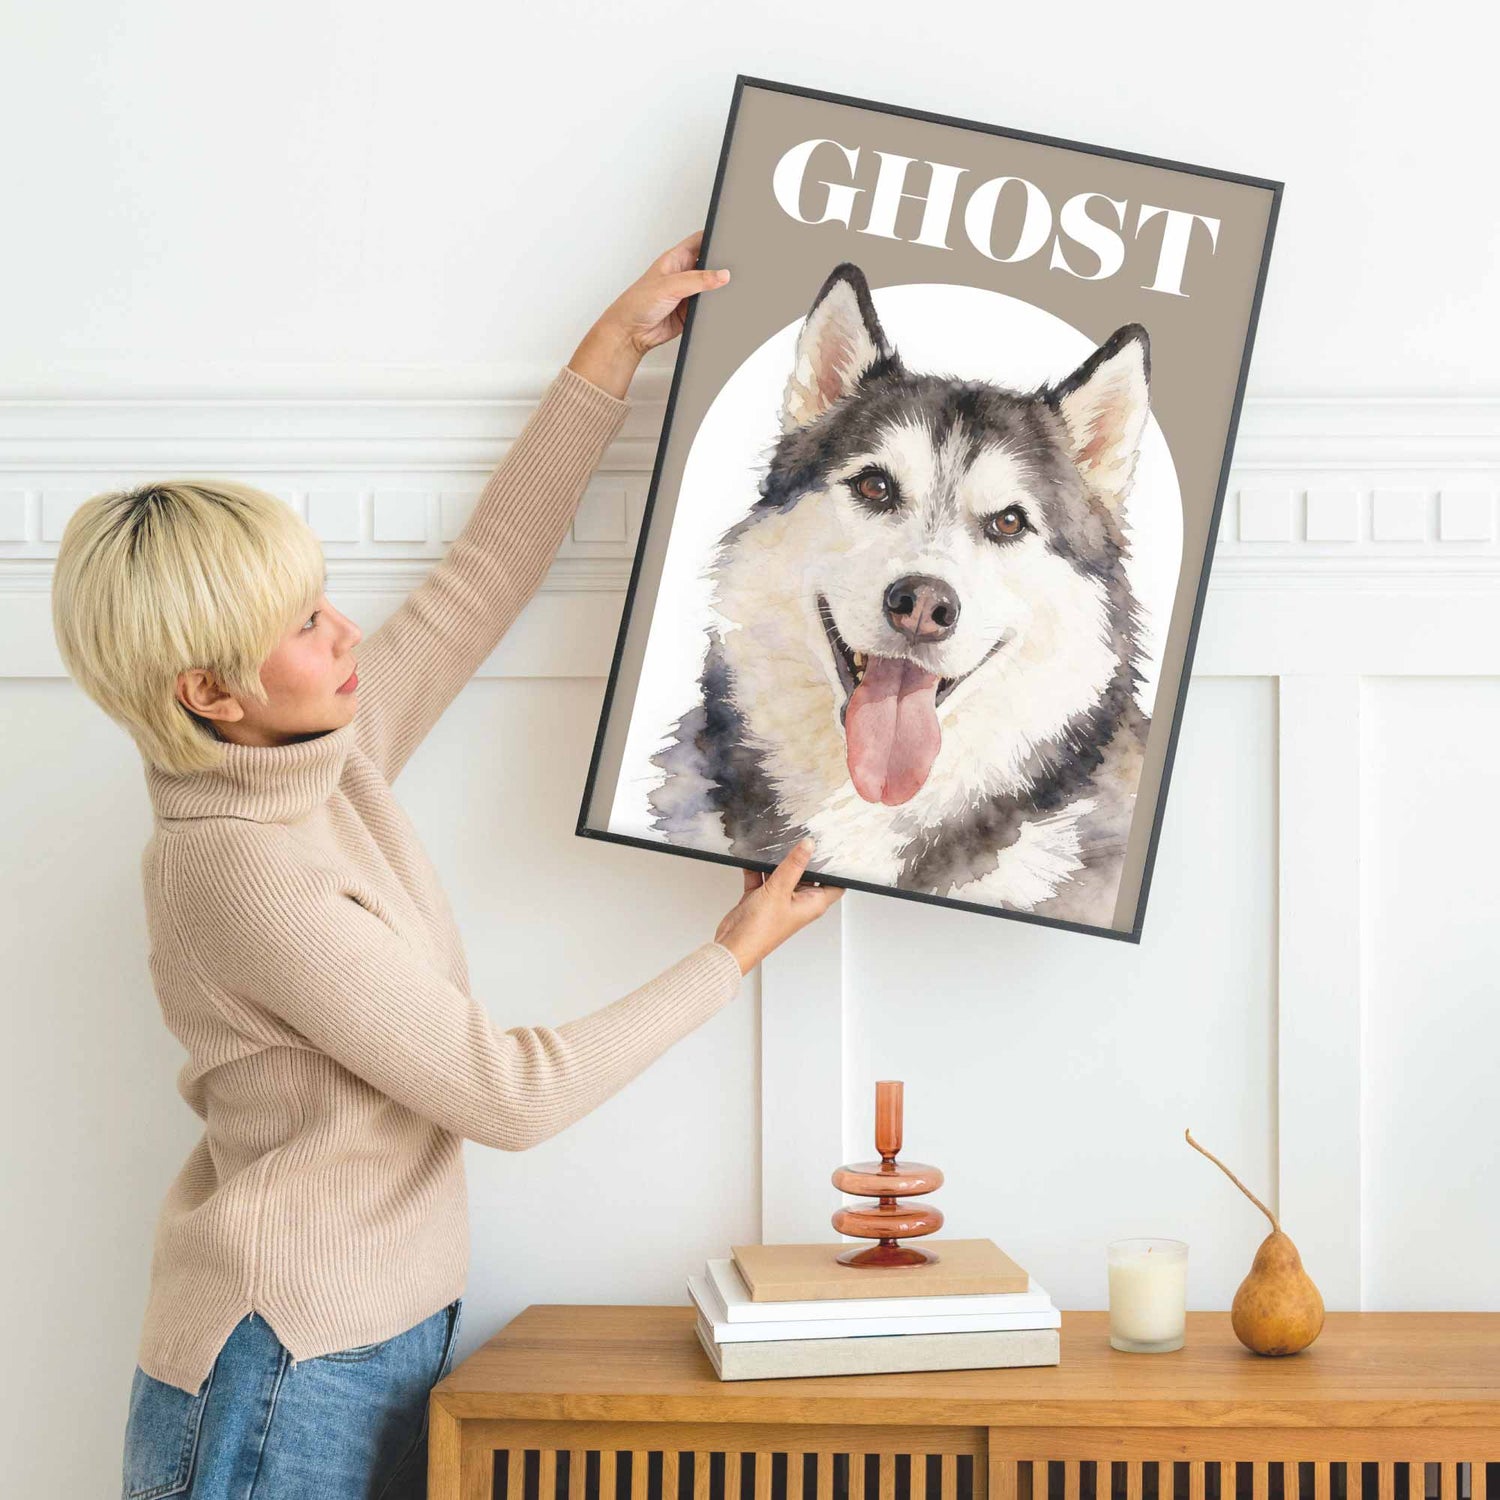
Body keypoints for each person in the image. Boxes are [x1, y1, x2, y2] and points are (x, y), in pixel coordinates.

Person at [50, 229, 843, 1500]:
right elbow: (506, 1092)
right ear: (211, 692)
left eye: (323, 595)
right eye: (302, 627)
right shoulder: (239, 873)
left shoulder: (324, 758)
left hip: (363, 1339)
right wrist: (726, 960)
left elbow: (482, 579)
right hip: (281, 1370)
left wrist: (607, 354)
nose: (344, 629)